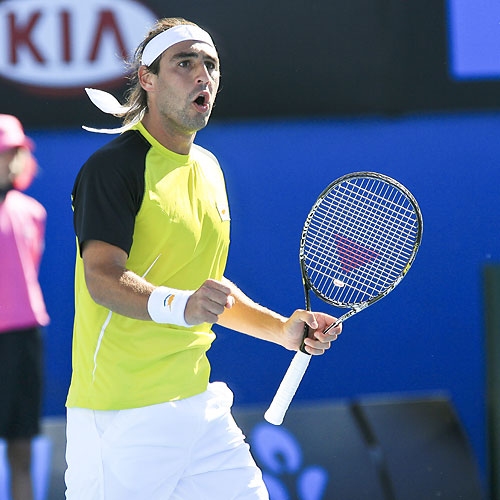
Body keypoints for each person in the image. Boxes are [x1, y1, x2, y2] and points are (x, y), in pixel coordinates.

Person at [65, 17, 342, 500]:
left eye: (210, 65)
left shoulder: (209, 168)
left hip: (199, 407)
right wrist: (183, 306)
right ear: (147, 79)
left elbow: (208, 289)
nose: (202, 76)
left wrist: (281, 329)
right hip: (122, 417)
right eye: (184, 63)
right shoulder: (113, 168)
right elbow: (103, 278)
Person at [0, 114, 49, 500]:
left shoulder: (33, 212)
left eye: (11, 152)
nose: (7, 159)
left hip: (22, 341)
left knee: (21, 450)